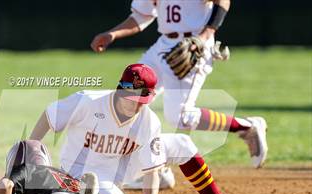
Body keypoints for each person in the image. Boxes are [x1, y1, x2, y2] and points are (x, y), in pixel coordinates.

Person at [29, 64, 267, 194]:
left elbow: (152, 169)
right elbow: (50, 116)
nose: (133, 105)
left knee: (182, 143)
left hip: (122, 166)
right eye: (129, 98)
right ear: (120, 88)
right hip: (81, 172)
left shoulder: (148, 120)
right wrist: (32, 154)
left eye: (139, 101)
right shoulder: (88, 101)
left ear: (150, 97)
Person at [90, 0, 268, 169]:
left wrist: (204, 37)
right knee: (129, 99)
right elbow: (141, 17)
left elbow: (223, 1)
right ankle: (155, 169)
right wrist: (112, 34)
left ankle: (247, 127)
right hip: (162, 46)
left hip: (193, 47)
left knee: (180, 116)